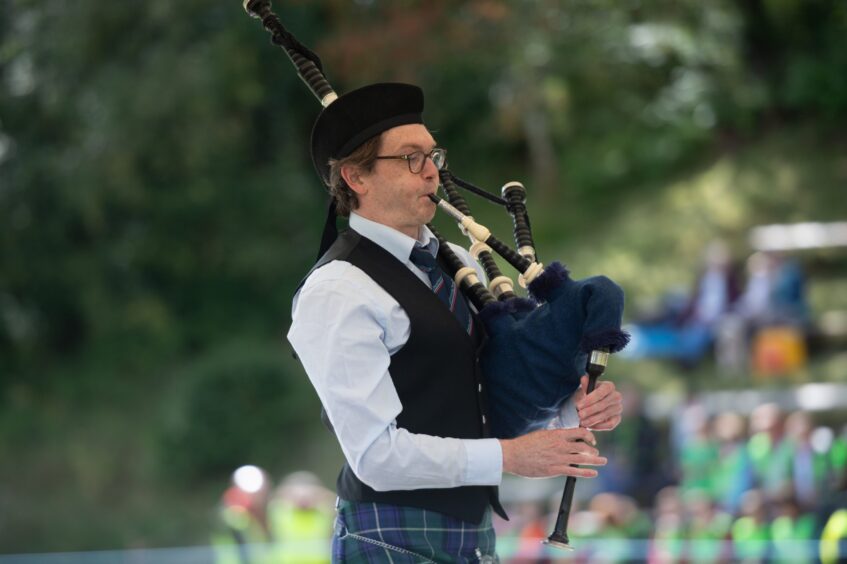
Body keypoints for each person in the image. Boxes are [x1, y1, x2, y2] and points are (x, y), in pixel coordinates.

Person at [287, 83, 623, 562]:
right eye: (410, 158)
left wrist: (570, 410)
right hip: (388, 538)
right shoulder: (338, 291)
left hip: (470, 535)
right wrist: (509, 457)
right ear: (355, 177)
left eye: (432, 155)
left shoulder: (457, 262)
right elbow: (376, 457)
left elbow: (482, 393)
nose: (433, 173)